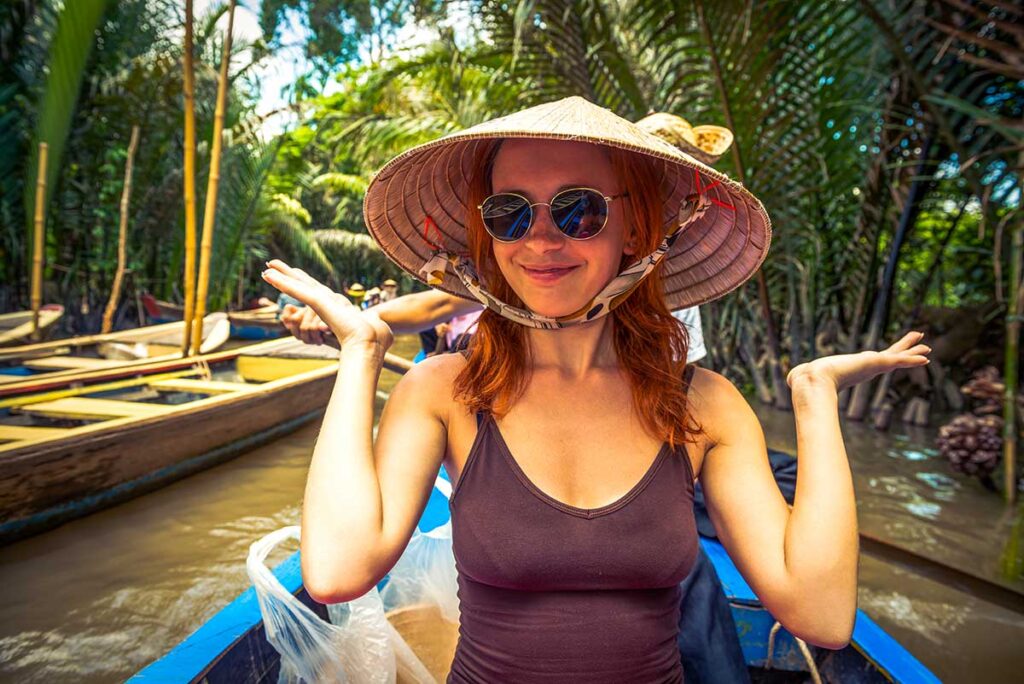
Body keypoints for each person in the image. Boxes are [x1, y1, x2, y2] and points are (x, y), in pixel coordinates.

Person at [262, 96, 930, 682]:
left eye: (578, 210)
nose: (542, 239)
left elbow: (818, 615)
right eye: (510, 213)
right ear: (487, 235)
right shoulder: (446, 391)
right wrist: (362, 350)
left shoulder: (706, 404)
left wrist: (814, 399)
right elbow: (335, 572)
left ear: (636, 227)